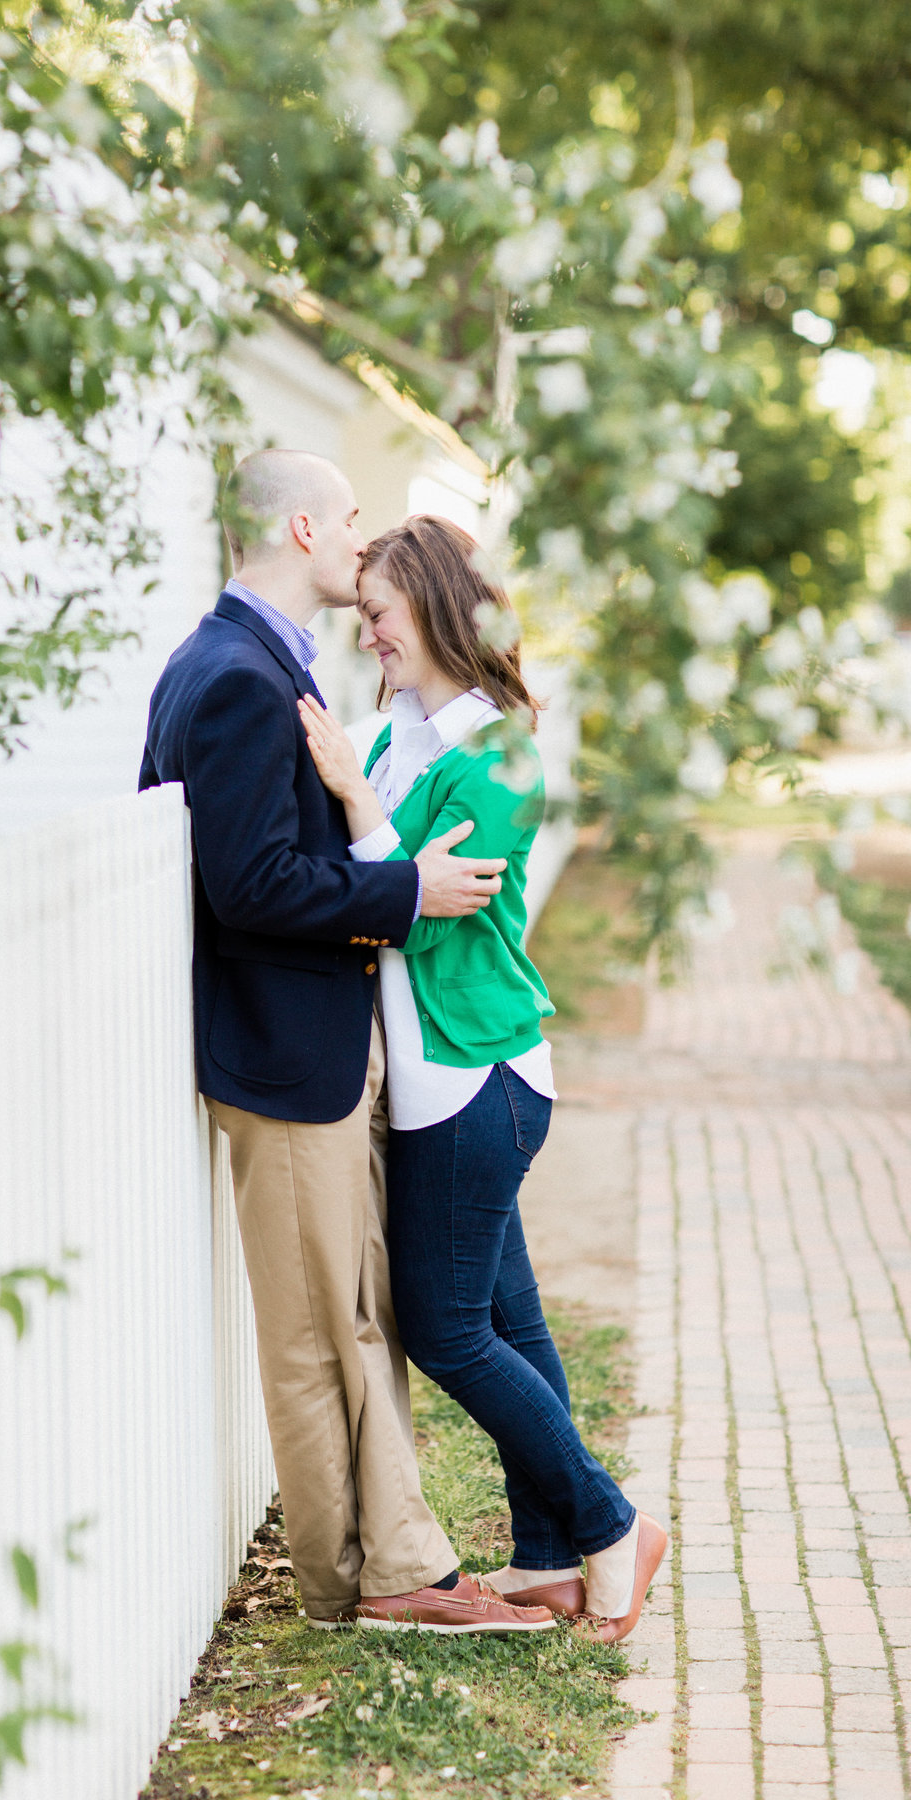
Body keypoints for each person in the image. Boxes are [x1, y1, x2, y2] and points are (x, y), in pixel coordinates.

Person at [139, 449, 557, 1635]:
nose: (363, 550)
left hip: (317, 1051)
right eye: (354, 525)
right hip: (286, 1053)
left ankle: (400, 1565)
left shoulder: (259, 665)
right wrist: (405, 892)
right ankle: (370, 1580)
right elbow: (255, 885)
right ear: (307, 528)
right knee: (331, 1329)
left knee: (361, 1315)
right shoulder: (231, 675)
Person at [298, 513, 667, 1641]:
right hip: (436, 1080)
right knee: (510, 1315)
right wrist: (374, 830)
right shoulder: (391, 733)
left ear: (433, 600)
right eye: (362, 621)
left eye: (380, 617)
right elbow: (379, 885)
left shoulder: (498, 754)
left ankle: (612, 1525)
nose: (370, 640)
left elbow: (409, 913)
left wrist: (363, 817)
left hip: (479, 1076)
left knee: (448, 1327)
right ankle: (551, 1558)